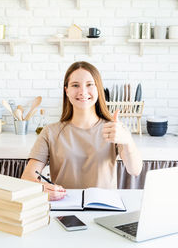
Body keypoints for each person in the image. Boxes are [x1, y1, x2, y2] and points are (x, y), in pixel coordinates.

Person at [21, 61, 142, 201]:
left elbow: (135, 170)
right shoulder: (50, 132)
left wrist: (127, 141)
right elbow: (27, 177)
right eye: (75, 85)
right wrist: (42, 188)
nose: (83, 91)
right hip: (64, 209)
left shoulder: (115, 129)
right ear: (66, 91)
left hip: (105, 208)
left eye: (89, 84)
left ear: (99, 89)